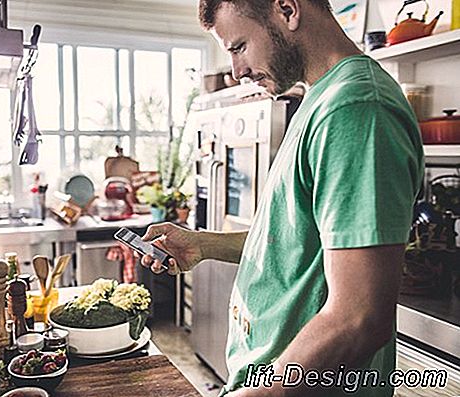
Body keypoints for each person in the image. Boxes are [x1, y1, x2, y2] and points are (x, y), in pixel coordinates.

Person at [137, 1, 424, 396]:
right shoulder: (319, 100)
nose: (237, 72)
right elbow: (294, 241)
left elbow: (359, 316)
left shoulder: (356, 108)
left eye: (239, 47)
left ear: (287, 9)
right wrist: (201, 244)